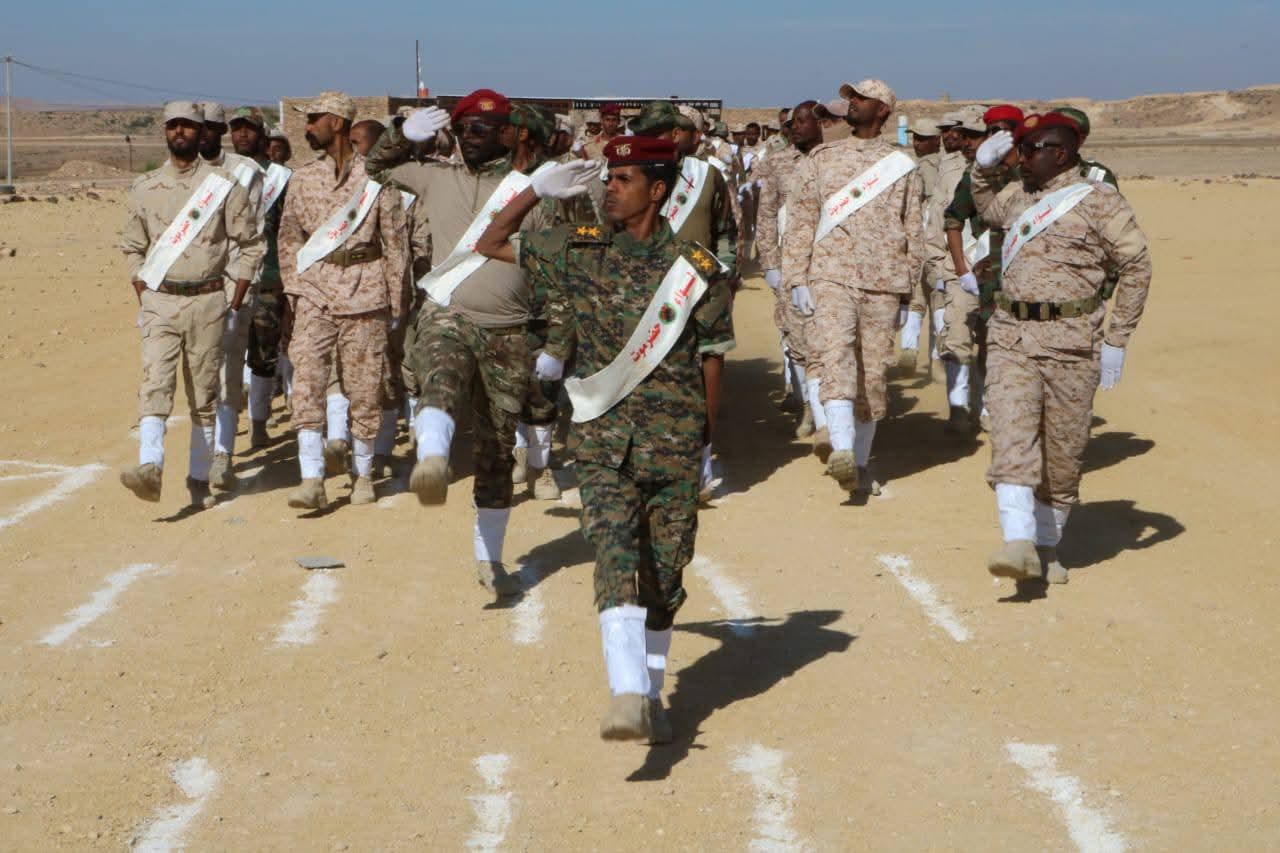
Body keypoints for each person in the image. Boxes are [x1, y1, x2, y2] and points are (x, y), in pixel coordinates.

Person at [475, 136, 734, 743]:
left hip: (673, 442)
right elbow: (489, 242)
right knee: (615, 553)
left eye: (623, 179)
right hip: (602, 442)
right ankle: (626, 691)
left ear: (658, 190)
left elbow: (712, 357)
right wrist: (533, 191)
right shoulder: (579, 249)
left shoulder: (695, 269)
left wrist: (704, 442)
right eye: (608, 178)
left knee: (664, 579)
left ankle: (651, 691)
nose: (609, 189)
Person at [364, 89, 555, 598]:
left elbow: (558, 260)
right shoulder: (435, 176)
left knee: (496, 450)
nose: (469, 137)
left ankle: (489, 560)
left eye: (481, 129)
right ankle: (431, 457)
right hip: (449, 311)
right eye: (463, 128)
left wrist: (555, 338)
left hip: (510, 331)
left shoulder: (533, 191)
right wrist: (401, 135)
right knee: (441, 374)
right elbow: (376, 168)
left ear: (508, 134)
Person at [971, 113, 1151, 584]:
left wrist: (1117, 338)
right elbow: (987, 211)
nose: (1023, 159)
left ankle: (1047, 546)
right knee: (1010, 433)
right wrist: (982, 169)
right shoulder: (1018, 195)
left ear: (1061, 153)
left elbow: (1136, 265)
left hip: (1073, 344)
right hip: (1011, 336)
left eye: (1032, 150)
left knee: (1063, 454)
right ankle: (1017, 541)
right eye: (1022, 150)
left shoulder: (1100, 201)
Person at [119, 100, 264, 508]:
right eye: (172, 125)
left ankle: (199, 479)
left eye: (187, 125)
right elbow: (132, 246)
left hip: (208, 301)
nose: (179, 132)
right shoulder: (144, 187)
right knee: (155, 383)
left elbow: (251, 243)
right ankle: (150, 467)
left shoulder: (223, 185)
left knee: (204, 394)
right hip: (160, 302)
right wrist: (143, 291)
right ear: (165, 131)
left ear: (201, 132)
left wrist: (236, 295)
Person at [784, 79, 923, 497]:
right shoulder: (823, 159)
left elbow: (913, 233)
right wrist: (796, 278)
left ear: (882, 110)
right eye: (850, 98)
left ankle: (859, 465)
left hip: (884, 282)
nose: (853, 103)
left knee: (872, 375)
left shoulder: (902, 165)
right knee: (835, 355)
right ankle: (841, 447)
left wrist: (912, 297)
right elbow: (801, 222)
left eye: (861, 98)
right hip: (831, 275)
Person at [277, 91, 408, 509]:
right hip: (314, 291)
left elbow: (394, 242)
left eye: (314, 118)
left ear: (336, 122)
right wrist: (295, 289)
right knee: (307, 379)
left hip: (365, 291)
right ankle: (312, 477)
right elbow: (288, 238)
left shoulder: (377, 178)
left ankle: (363, 473)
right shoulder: (303, 178)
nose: (307, 126)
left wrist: (396, 301)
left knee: (364, 387)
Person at [940, 105, 1023, 433]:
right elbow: (953, 219)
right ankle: (974, 407)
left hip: (1026, 274)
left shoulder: (1036, 171)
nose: (994, 137)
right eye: (990, 131)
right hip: (986, 271)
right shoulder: (977, 175)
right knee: (977, 339)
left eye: (1002, 130)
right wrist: (961, 269)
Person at [198, 103, 265, 493]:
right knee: (199, 371)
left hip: (230, 283)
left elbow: (248, 234)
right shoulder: (177, 175)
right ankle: (203, 450)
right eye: (198, 126)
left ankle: (221, 454)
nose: (203, 133)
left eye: (210, 127)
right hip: (188, 285)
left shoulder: (245, 172)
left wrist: (239, 290)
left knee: (227, 368)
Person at [756, 100, 825, 438]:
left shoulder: (833, 159)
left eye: (801, 122)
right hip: (791, 262)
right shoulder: (778, 162)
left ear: (820, 124)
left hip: (831, 261)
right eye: (792, 122)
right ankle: (809, 406)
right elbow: (767, 214)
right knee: (796, 334)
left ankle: (829, 406)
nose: (793, 128)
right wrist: (770, 262)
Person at [229, 106, 291, 449]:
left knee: (264, 357)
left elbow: (291, 229)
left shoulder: (280, 178)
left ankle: (258, 424)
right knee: (224, 354)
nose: (242, 134)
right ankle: (223, 437)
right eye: (236, 128)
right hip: (227, 278)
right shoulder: (221, 174)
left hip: (268, 278)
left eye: (249, 128)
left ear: (262, 136)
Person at [931, 109, 988, 431]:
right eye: (964, 135)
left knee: (993, 342)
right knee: (956, 335)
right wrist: (937, 266)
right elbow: (937, 219)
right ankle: (958, 407)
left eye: (974, 136)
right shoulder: (950, 169)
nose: (967, 142)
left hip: (997, 269)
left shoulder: (1014, 172)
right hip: (958, 266)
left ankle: (986, 408)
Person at [897, 117, 943, 372]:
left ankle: (910, 347)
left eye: (923, 139)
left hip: (926, 239)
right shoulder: (948, 164)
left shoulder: (925, 166)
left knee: (919, 299)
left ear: (937, 140)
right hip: (938, 242)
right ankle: (936, 359)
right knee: (937, 301)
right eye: (916, 138)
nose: (917, 143)